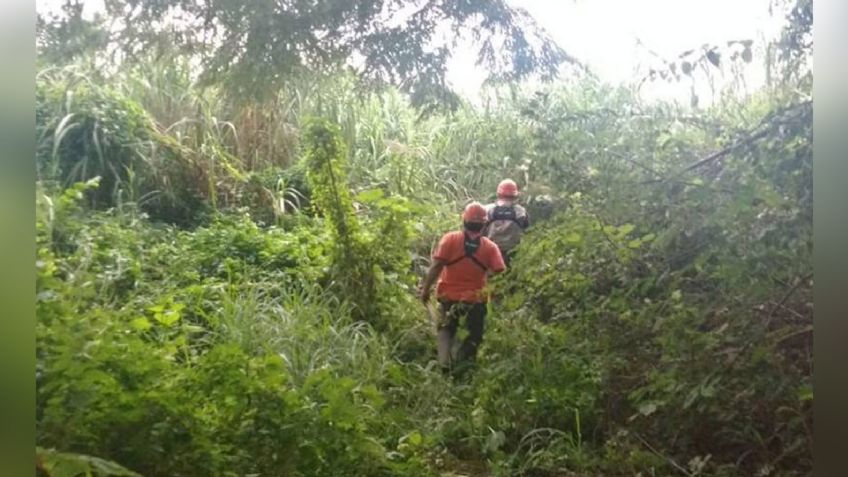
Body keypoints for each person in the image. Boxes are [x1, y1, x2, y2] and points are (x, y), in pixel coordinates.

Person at [420, 202, 506, 373]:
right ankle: (465, 367)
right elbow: (500, 273)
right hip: (476, 299)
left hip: (447, 296)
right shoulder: (490, 247)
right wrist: (491, 289)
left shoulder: (450, 239)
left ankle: (444, 362)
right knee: (474, 335)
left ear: (464, 221)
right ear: (484, 224)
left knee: (446, 329)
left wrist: (425, 289)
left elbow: (437, 266)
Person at [483, 179, 530, 266]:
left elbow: (481, 232)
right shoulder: (520, 211)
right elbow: (527, 230)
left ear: (498, 193)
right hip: (513, 252)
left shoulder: (488, 210)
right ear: (515, 195)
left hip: (492, 250)